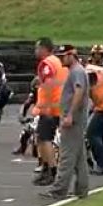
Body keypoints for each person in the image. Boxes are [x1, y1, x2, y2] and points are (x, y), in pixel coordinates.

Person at [40, 45, 89, 200]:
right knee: (79, 156)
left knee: (67, 155)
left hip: (73, 120)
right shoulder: (76, 71)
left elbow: (79, 91)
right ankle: (82, 188)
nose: (60, 59)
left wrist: (69, 115)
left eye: (63, 56)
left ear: (71, 55)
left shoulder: (77, 72)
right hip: (76, 119)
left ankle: (59, 189)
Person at [32, 37, 67, 186]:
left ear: (44, 49)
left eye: (37, 48)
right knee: (41, 139)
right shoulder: (57, 61)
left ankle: (52, 170)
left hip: (50, 108)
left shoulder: (46, 63)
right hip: (58, 106)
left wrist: (43, 107)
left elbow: (48, 83)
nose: (36, 51)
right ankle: (47, 167)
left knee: (44, 139)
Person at [15, 77, 39, 156]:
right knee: (25, 133)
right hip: (37, 116)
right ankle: (22, 147)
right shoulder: (33, 94)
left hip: (51, 115)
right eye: (35, 87)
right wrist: (22, 116)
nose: (37, 88)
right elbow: (26, 104)